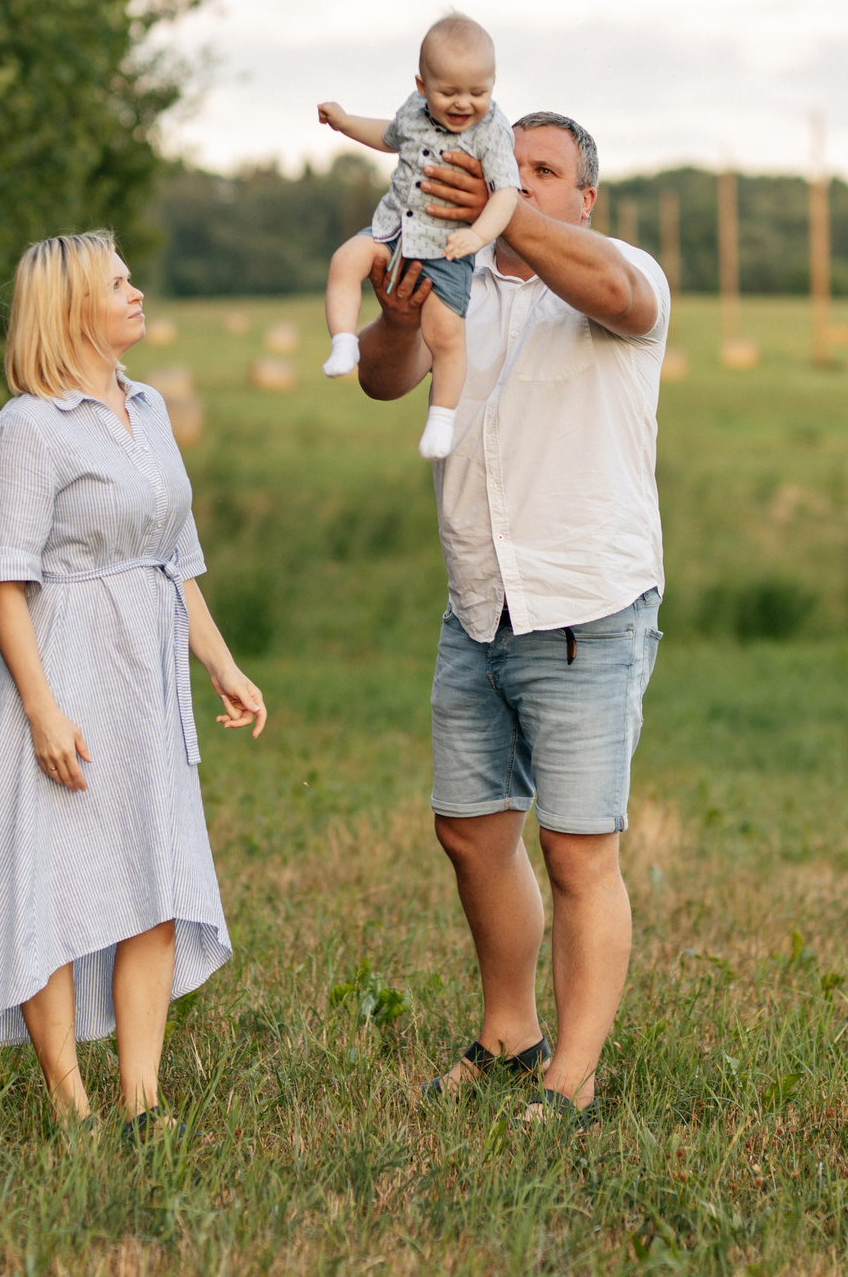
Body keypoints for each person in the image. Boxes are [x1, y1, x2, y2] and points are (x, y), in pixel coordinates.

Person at [355, 111, 667, 1123]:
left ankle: (569, 1079)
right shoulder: (462, 282)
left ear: (585, 197)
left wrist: (495, 211)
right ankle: (507, 1032)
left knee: (577, 851)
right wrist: (400, 315)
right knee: (468, 831)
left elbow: (615, 296)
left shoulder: (625, 273)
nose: (523, 183)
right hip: (476, 606)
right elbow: (382, 378)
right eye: (510, 165)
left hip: (584, 606)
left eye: (545, 171)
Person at [0, 231, 270, 1134]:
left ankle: (144, 1102)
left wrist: (223, 664)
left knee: (154, 884)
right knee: (53, 881)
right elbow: (5, 582)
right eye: (118, 284)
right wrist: (40, 708)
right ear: (72, 308)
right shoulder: (27, 429)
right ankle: (71, 1105)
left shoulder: (150, 409)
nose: (137, 291)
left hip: (146, 674)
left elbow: (174, 559)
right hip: (64, 668)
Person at [316, 12, 522, 460]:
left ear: (493, 85)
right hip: (396, 227)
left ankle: (442, 420)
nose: (464, 103)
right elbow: (388, 137)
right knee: (344, 261)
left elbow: (507, 193)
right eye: (449, 92)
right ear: (422, 85)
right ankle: (344, 342)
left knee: (446, 336)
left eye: (478, 92)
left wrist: (478, 234)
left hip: (449, 248)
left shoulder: (492, 133)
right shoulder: (412, 110)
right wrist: (346, 121)